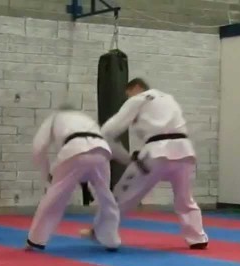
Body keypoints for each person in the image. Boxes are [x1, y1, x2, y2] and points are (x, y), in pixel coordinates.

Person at [80, 78, 209, 250]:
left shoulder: (139, 98)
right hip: (184, 151)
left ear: (137, 87)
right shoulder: (169, 99)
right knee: (185, 198)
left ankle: (101, 232)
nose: (128, 98)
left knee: (122, 194)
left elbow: (109, 131)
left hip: (155, 153)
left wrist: (124, 157)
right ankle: (197, 237)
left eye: (128, 94)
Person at [24, 106, 121, 251]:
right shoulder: (86, 118)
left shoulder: (54, 117)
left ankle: (35, 240)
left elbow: (39, 146)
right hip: (101, 150)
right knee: (106, 196)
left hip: (74, 150)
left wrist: (47, 176)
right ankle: (111, 239)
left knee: (54, 197)